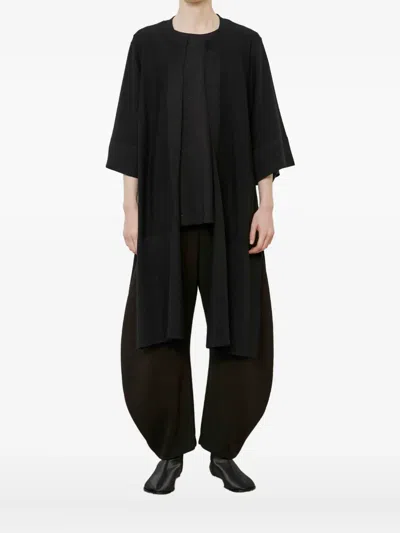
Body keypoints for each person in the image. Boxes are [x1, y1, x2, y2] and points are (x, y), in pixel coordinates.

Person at [106, 0, 294, 495]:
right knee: (158, 329)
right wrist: (130, 207)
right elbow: (131, 128)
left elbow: (263, 125)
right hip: (162, 216)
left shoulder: (245, 45)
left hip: (233, 215)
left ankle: (223, 451)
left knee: (240, 328)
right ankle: (169, 452)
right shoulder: (146, 45)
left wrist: (267, 205)